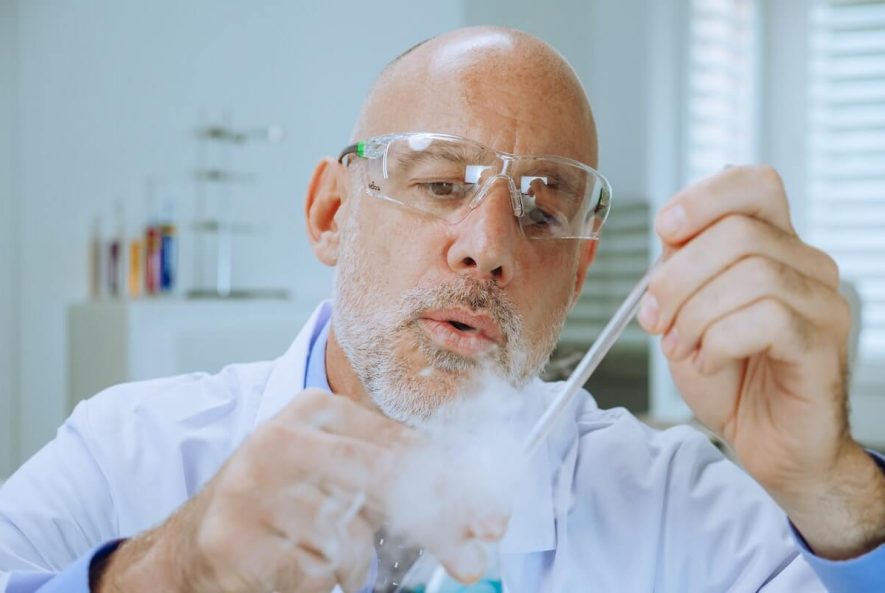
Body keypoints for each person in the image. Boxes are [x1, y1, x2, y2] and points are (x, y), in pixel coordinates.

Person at [1, 26, 883, 593]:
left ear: (578, 277)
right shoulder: (127, 453)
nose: (489, 246)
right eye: (438, 183)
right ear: (331, 213)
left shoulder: (670, 505)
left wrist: (827, 489)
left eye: (543, 211)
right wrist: (166, 571)